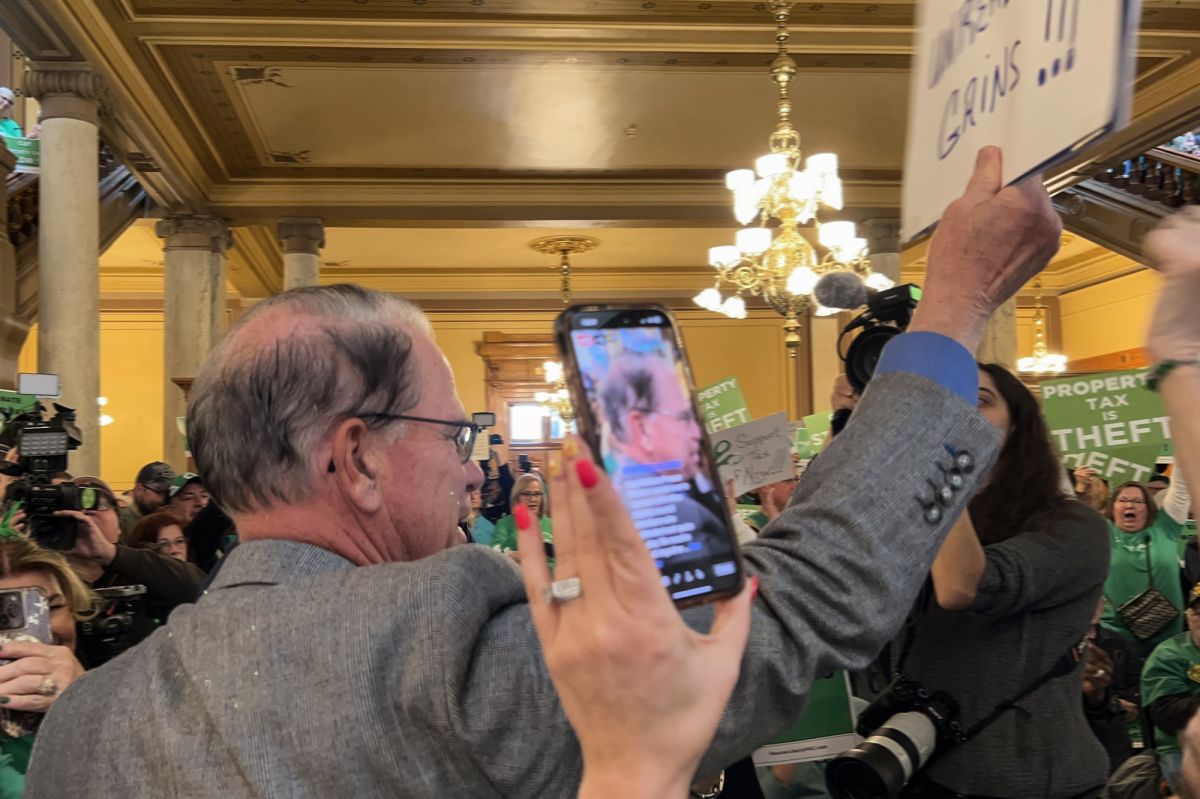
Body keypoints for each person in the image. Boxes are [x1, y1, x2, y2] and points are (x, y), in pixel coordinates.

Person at [25, 146, 1062, 798]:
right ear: (359, 458)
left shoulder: (83, 722)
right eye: (449, 431)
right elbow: (809, 599)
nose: (469, 462)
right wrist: (956, 306)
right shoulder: (447, 642)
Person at [847, 363, 1110, 797]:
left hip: (1025, 776)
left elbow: (961, 586)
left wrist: (941, 461)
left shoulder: (1075, 527)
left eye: (980, 401)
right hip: (924, 764)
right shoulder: (914, 518)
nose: (959, 411)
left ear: (1019, 425)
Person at [56, 477, 205, 666]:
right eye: (72, 506)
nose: (85, 513)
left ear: (119, 525)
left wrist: (110, 554)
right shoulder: (48, 581)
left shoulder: (140, 568)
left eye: (100, 503)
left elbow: (197, 588)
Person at [598, 351, 728, 559]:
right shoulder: (679, 518)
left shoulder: (625, 496)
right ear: (641, 427)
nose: (696, 433)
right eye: (684, 417)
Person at [0, 536, 92, 797]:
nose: (43, 633)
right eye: (8, 618)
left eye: (52, 607)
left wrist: (88, 703)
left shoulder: (118, 691)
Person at [1100, 475, 1192, 655]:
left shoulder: (1165, 527)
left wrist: (1184, 447)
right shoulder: (1100, 530)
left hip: (1167, 635)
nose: (1129, 505)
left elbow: (1181, 488)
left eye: (1137, 501)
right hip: (1115, 635)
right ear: (1113, 507)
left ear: (1148, 508)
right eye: (1123, 500)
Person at [1141, 584, 1200, 793]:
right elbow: (1166, 715)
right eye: (1198, 612)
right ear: (1188, 616)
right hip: (1182, 750)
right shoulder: (1168, 655)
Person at [491, 473, 551, 554]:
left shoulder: (551, 524)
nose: (533, 499)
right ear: (517, 498)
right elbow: (495, 554)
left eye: (537, 494)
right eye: (527, 494)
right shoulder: (504, 524)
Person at [117, 461, 176, 542]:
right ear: (139, 489)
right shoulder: (121, 523)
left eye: (168, 494)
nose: (164, 500)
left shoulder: (170, 522)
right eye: (159, 492)